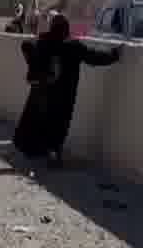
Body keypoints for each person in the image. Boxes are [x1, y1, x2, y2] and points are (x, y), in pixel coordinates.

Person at [14, 13, 122, 168]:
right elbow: (94, 57)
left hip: (44, 92)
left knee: (41, 122)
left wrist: (34, 65)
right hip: (65, 95)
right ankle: (53, 154)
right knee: (60, 126)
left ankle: (42, 152)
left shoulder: (44, 41)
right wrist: (115, 55)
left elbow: (26, 45)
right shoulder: (73, 46)